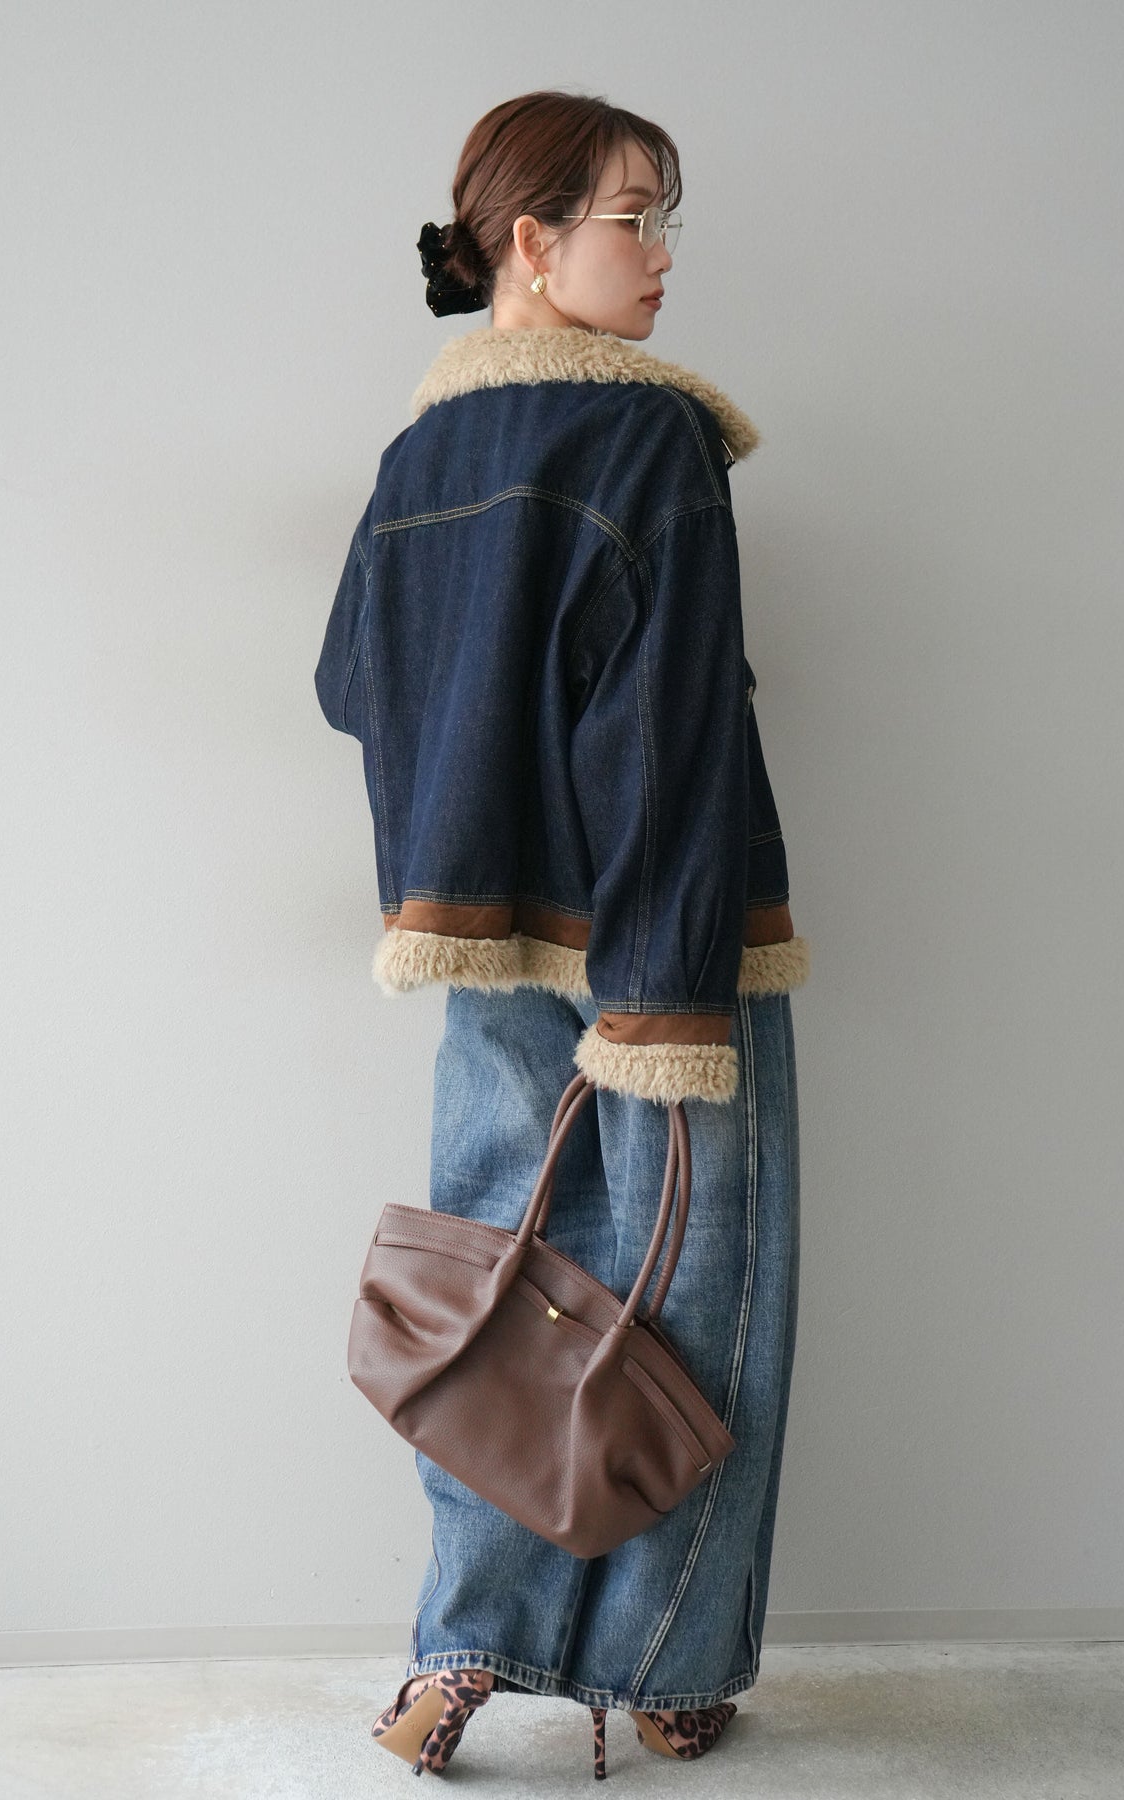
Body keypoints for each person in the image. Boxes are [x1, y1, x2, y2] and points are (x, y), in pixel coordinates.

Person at [314, 88, 809, 1782]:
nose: (661, 255)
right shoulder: (647, 439)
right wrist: (664, 997)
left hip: (483, 949)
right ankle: (667, 1673)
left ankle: (456, 1654)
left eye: (667, 220)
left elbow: (349, 684)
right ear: (529, 241)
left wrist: (463, 838)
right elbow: (666, 739)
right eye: (631, 217)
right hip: (662, 945)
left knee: (497, 1291)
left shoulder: (418, 458)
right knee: (696, 1301)